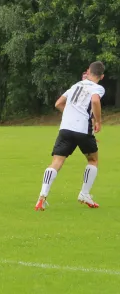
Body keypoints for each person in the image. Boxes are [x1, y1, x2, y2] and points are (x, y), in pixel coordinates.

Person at [35, 61, 105, 211]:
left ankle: (42, 196)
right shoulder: (97, 88)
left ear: (88, 71)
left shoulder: (75, 86)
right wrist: (98, 121)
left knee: (56, 162)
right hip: (82, 129)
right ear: (102, 76)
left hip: (65, 128)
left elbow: (58, 103)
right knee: (93, 159)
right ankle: (84, 193)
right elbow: (94, 100)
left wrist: (69, 115)